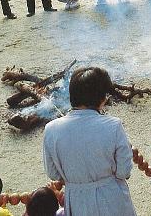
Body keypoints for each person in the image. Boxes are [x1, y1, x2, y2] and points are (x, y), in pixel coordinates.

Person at [43, 67, 136, 216]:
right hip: (112, 197)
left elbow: (53, 173)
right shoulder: (114, 125)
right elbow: (124, 171)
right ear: (102, 97)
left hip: (77, 200)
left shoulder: (51, 129)